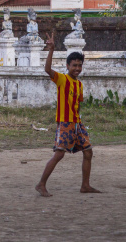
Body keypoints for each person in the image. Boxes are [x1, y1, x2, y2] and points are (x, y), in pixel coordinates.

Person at [35, 32, 100, 197]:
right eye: (74, 65)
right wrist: (51, 50)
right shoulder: (62, 79)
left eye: (79, 65)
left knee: (88, 152)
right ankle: (41, 184)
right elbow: (47, 69)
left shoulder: (79, 85)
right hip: (65, 123)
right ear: (68, 66)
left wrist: (79, 124)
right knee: (59, 154)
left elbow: (77, 106)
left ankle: (85, 185)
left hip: (77, 124)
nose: (77, 68)